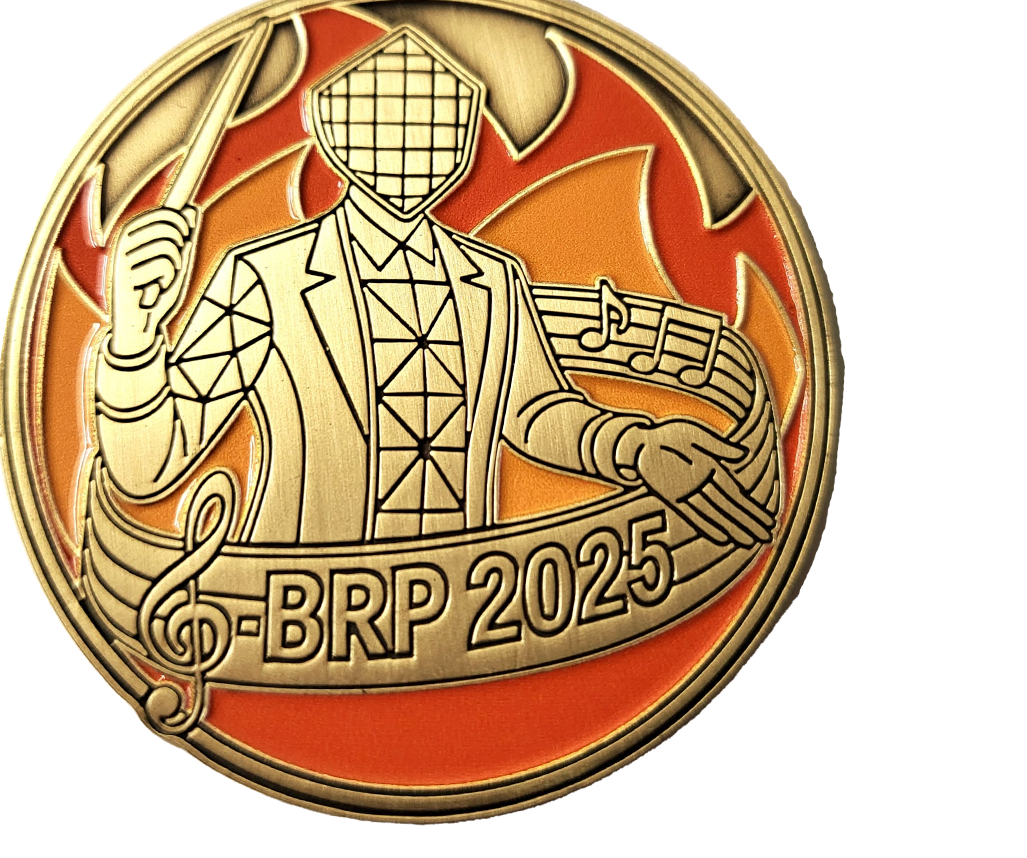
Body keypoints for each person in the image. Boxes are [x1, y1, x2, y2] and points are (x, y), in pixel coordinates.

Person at [94, 28, 772, 548]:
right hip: (297, 605)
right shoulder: (265, 279)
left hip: (461, 605)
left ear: (465, 141)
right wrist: (134, 340)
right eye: (385, 121)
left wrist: (634, 446)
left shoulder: (494, 281)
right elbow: (149, 467)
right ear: (333, 134)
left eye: (441, 124)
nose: (413, 143)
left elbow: (536, 415)